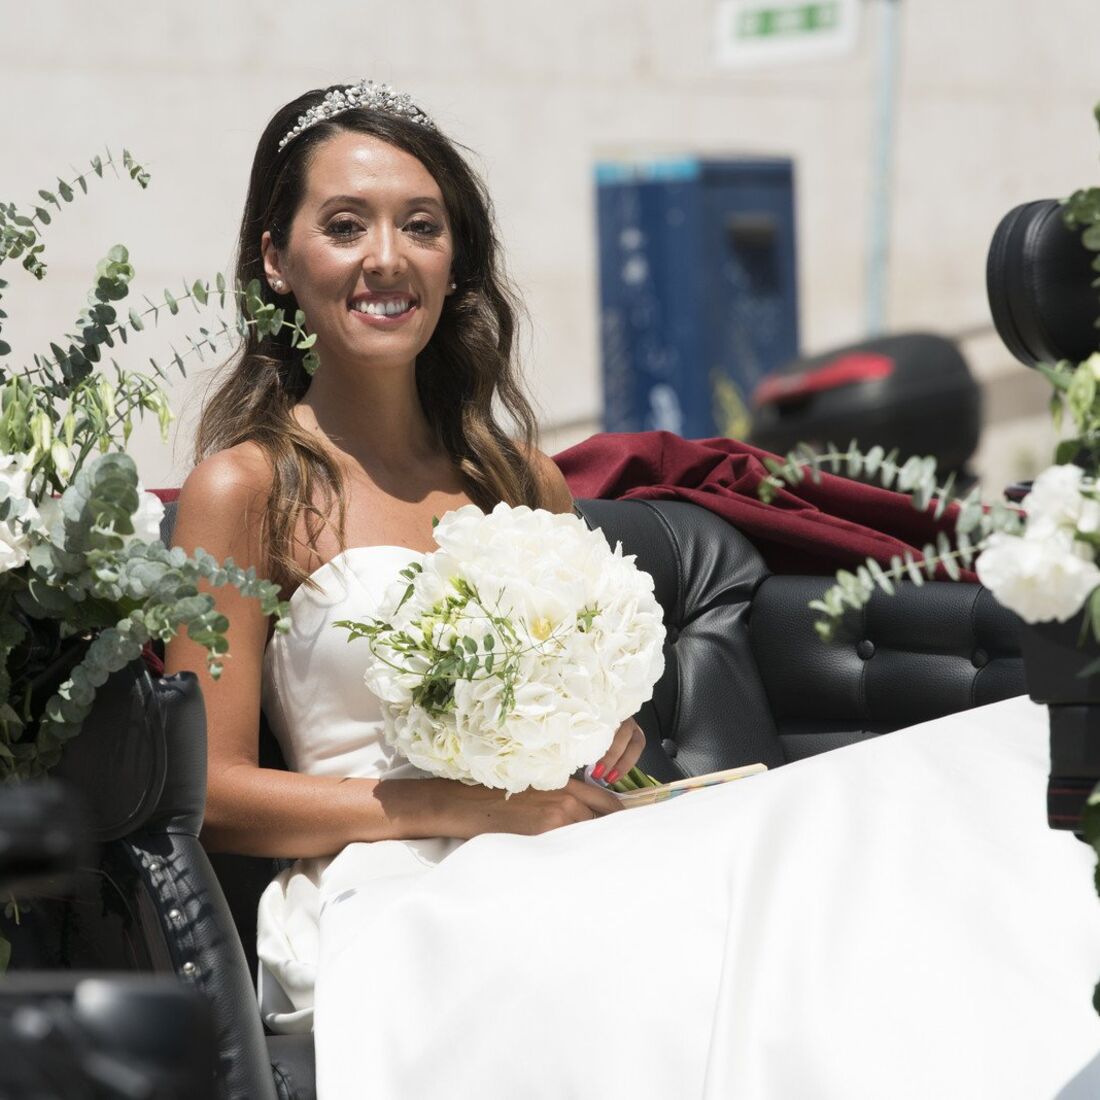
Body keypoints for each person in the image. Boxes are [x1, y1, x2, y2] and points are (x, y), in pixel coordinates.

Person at [166, 81, 1100, 1099]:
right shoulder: (245, 488)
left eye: (420, 226)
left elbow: (587, 700)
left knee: (867, 822)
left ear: (454, 256)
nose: (386, 257)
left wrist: (594, 727)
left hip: (566, 834)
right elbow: (209, 792)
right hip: (389, 891)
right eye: (345, 226)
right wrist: (458, 805)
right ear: (277, 257)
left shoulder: (513, 475)